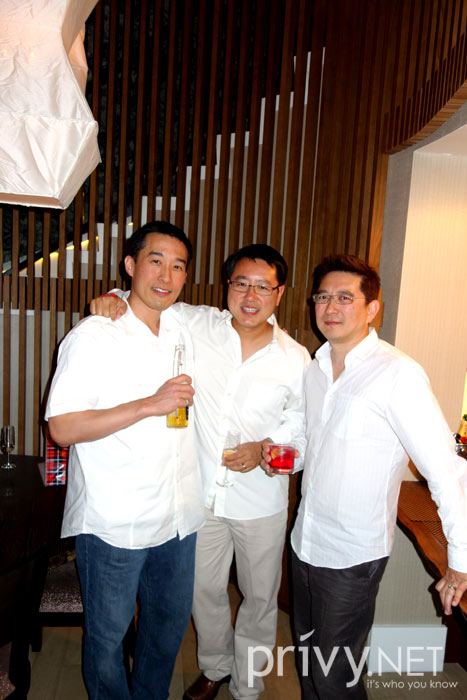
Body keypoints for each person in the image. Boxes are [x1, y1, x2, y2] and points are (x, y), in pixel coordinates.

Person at [91, 243, 311, 700]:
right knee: (203, 592)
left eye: (263, 287)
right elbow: (150, 297)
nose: (250, 296)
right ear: (227, 286)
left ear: (279, 293)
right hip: (200, 496)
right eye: (241, 283)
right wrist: (111, 297)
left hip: (259, 501)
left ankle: (248, 685)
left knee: (259, 599)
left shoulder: (296, 359)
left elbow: (301, 431)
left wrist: (267, 447)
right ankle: (215, 667)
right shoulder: (196, 323)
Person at [278, 253, 467, 700]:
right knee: (309, 663)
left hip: (353, 555)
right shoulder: (316, 368)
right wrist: (285, 455)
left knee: (335, 678)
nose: (330, 307)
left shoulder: (397, 373)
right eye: (322, 297)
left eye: (345, 297)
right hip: (305, 542)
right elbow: (312, 442)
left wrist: (460, 560)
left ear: (372, 309)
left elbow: (445, 470)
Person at [45, 221, 205, 700]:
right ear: (130, 265)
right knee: (107, 639)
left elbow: (243, 315)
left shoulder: (183, 327)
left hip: (178, 517)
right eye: (155, 261)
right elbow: (62, 427)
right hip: (116, 522)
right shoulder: (95, 336)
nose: (167, 275)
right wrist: (148, 405)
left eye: (178, 266)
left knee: (166, 633)